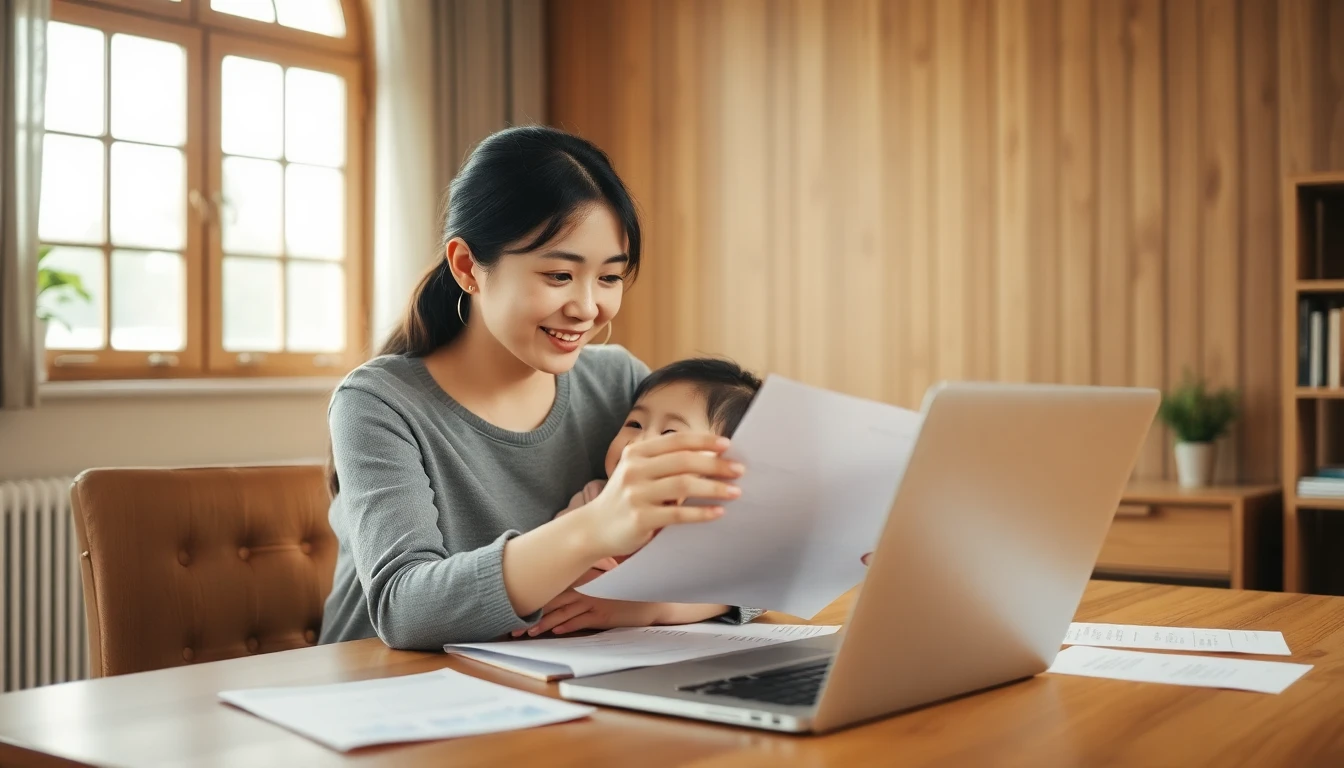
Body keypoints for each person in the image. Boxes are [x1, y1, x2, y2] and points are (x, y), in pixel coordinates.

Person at [319, 125, 754, 650]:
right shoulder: (378, 402)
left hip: (543, 686)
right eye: (558, 275)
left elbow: (754, 552)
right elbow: (406, 611)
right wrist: (593, 527)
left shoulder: (620, 383)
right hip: (376, 690)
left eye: (610, 278)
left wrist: (651, 607)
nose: (588, 307)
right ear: (467, 268)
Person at [516, 358, 764, 637]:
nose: (636, 443)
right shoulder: (595, 499)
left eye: (670, 432)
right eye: (634, 424)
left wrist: (655, 610)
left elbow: (757, 590)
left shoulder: (717, 517)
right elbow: (563, 568)